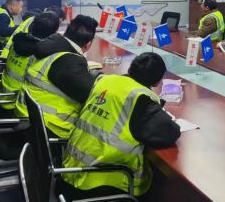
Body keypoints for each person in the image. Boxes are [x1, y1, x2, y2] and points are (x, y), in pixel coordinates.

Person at [60, 52, 181, 200]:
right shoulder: (140, 98)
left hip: (69, 171)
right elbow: (169, 132)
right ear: (157, 82)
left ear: (130, 69)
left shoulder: (104, 81)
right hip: (101, 183)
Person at [15, 15, 99, 138]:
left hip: (28, 119)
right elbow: (92, 95)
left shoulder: (51, 47)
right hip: (48, 129)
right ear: (88, 44)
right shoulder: (68, 61)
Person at [0, 11, 61, 112]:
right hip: (19, 104)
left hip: (3, 95)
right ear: (54, 32)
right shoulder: (42, 55)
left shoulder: (17, 41)